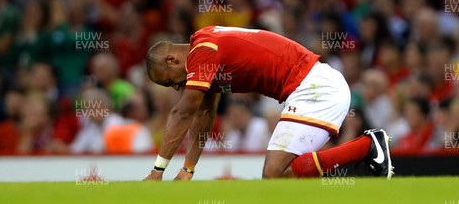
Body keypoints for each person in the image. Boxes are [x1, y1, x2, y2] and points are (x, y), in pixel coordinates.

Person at [143, 26, 393, 181]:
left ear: (171, 60)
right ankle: (367, 148)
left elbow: (183, 112)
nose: (176, 87)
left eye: (169, 82)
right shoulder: (205, 48)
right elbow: (204, 112)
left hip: (314, 87)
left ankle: (368, 146)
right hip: (313, 86)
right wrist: (187, 170)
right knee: (282, 177)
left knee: (274, 174)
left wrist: (157, 170)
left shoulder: (203, 52)